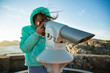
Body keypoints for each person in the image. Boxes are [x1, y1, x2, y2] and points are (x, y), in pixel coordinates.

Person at [19, 7, 57, 73]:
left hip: (49, 64)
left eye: (44, 21)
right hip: (34, 65)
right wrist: (36, 34)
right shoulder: (26, 29)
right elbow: (24, 48)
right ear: (33, 20)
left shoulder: (49, 31)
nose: (42, 23)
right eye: (39, 21)